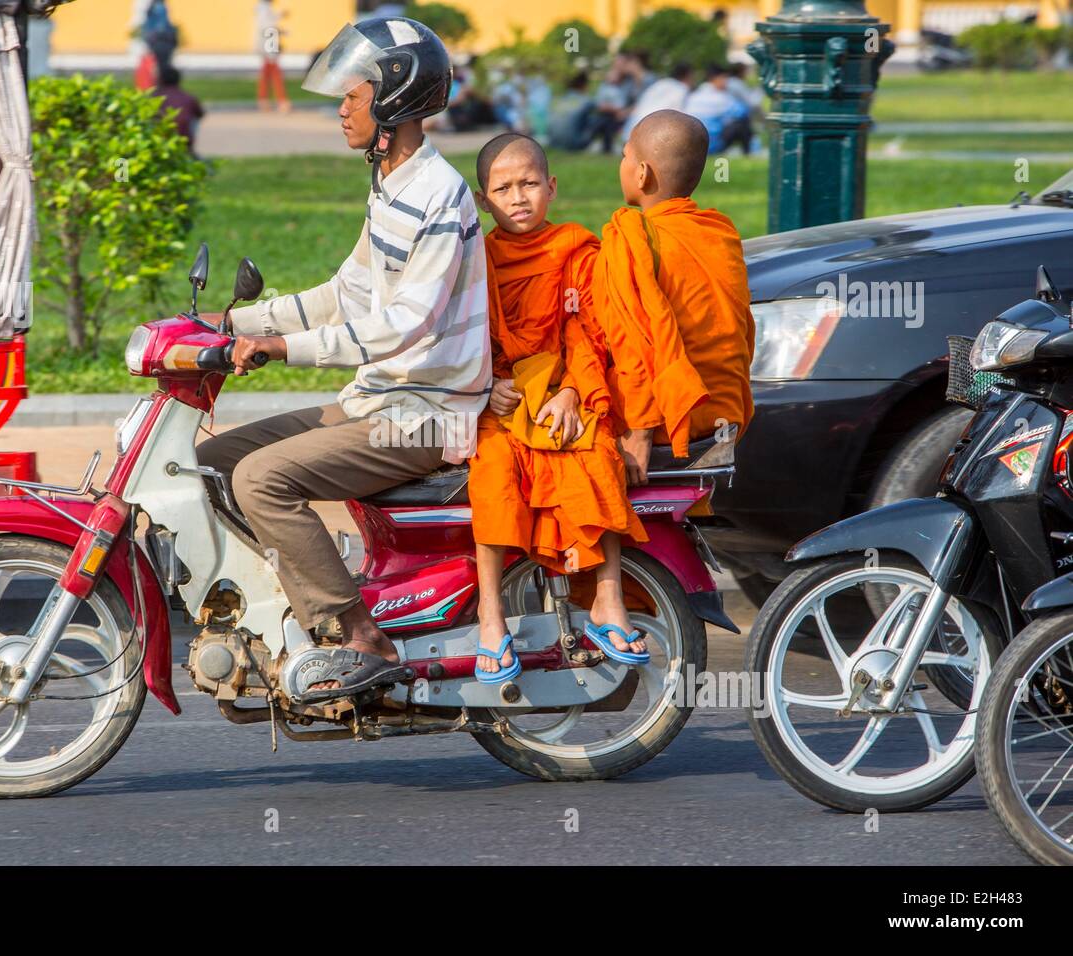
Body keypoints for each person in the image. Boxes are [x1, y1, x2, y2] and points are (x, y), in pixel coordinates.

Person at [196, 17, 490, 701]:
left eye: (351, 96)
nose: (341, 110)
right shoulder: (392, 183)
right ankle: (291, 610)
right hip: (379, 398)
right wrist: (232, 322)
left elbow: (399, 326)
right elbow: (345, 292)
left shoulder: (438, 197)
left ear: (392, 99)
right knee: (209, 463)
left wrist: (282, 348)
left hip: (427, 414)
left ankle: (358, 636)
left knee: (263, 479)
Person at [467, 133, 649, 679]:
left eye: (528, 184)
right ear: (483, 201)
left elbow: (588, 333)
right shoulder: (474, 261)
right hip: (502, 397)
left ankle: (607, 598)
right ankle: (490, 615)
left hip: (564, 389)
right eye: (502, 188)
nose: (518, 197)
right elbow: (461, 339)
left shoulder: (575, 250)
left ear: (551, 186)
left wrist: (573, 391)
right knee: (494, 471)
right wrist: (484, 386)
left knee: (596, 448)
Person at [592, 107, 755, 517]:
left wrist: (640, 432)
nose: (621, 165)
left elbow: (633, 344)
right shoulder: (719, 230)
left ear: (643, 173)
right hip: (725, 411)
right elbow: (741, 328)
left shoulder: (631, 237)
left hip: (668, 420)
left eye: (626, 156)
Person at [684, 64, 753, 154]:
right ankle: (747, 153)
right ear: (716, 79)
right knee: (742, 123)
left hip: (695, 144)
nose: (727, 82)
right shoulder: (721, 97)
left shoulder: (695, 95)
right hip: (713, 144)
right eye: (725, 78)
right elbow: (743, 112)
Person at [622, 62, 693, 140]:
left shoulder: (660, 83)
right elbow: (680, 114)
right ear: (688, 75)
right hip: (653, 131)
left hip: (632, 127)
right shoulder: (681, 88)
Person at [153, 66, 205, 153]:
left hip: (160, 142)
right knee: (193, 119)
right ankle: (189, 149)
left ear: (160, 79)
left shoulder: (155, 97)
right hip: (184, 141)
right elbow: (200, 114)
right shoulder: (189, 97)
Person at [254, 0, 290, 112]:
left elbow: (270, 21)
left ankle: (263, 101)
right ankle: (282, 101)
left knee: (267, 73)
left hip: (268, 44)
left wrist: (280, 15)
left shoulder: (264, 8)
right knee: (275, 73)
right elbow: (267, 27)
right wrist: (281, 31)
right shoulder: (263, 9)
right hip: (268, 44)